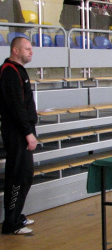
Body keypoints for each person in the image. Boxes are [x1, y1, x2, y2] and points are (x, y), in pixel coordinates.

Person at [0, 37, 38, 235]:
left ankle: (17, 215)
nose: (31, 52)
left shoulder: (19, 70)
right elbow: (16, 107)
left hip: (23, 131)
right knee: (16, 177)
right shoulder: (9, 72)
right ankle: (10, 223)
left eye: (31, 49)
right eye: (27, 49)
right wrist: (27, 133)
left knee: (25, 175)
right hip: (17, 133)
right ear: (15, 50)